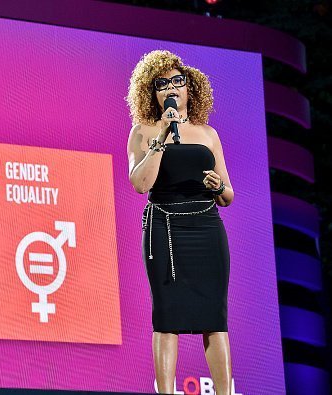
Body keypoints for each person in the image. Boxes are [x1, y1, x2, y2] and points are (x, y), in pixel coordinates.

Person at [126, 50, 235, 395]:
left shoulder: (208, 134)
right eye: (162, 84)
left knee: (214, 318)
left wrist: (219, 187)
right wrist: (160, 139)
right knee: (167, 316)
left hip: (207, 228)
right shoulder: (142, 132)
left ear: (190, 88)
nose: (171, 88)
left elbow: (228, 194)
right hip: (165, 230)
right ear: (152, 92)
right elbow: (140, 184)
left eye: (177, 81)